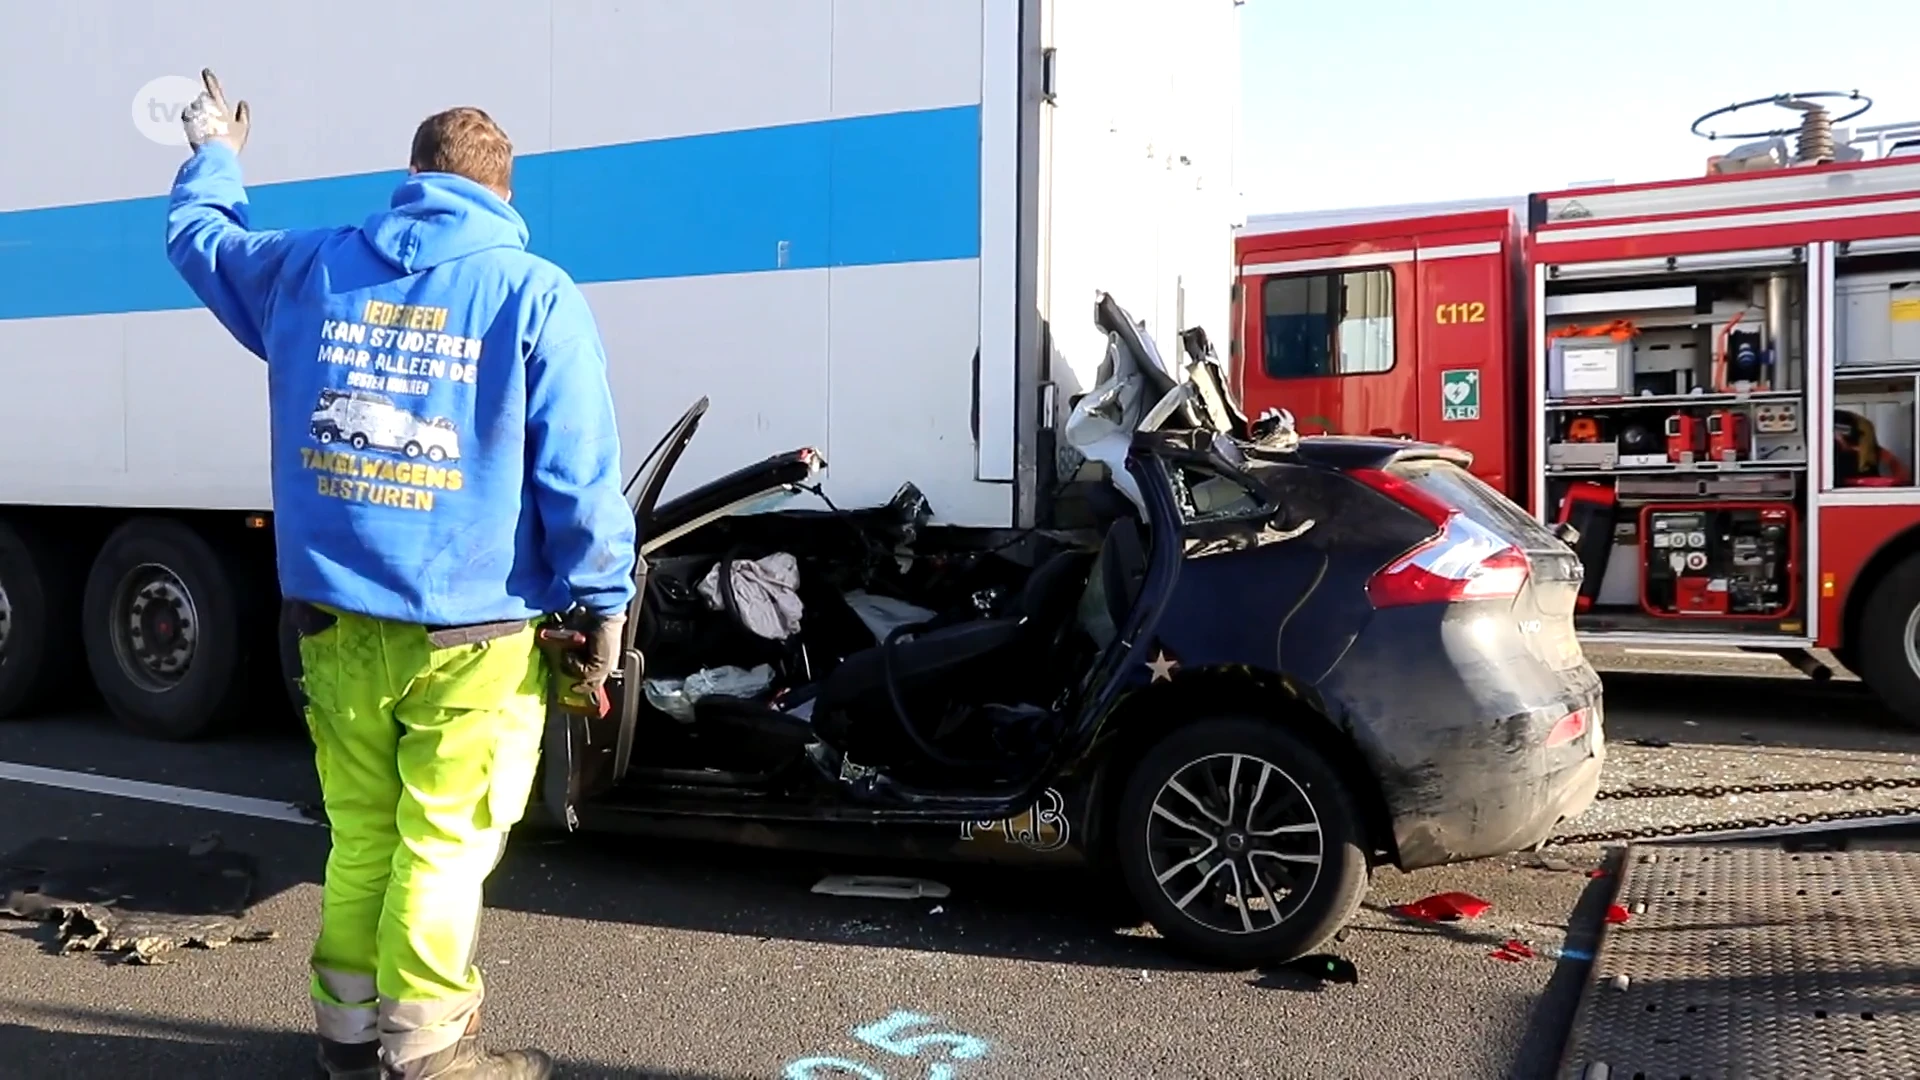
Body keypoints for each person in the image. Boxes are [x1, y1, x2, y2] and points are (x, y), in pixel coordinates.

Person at [164, 70, 637, 1080]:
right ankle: (425, 1055)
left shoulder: (311, 269)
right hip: (475, 637)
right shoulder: (531, 292)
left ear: (412, 176)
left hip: (333, 623)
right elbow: (578, 474)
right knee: (444, 844)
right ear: (505, 196)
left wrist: (214, 151)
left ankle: (345, 1037)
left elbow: (198, 241)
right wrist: (602, 605)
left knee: (364, 833)